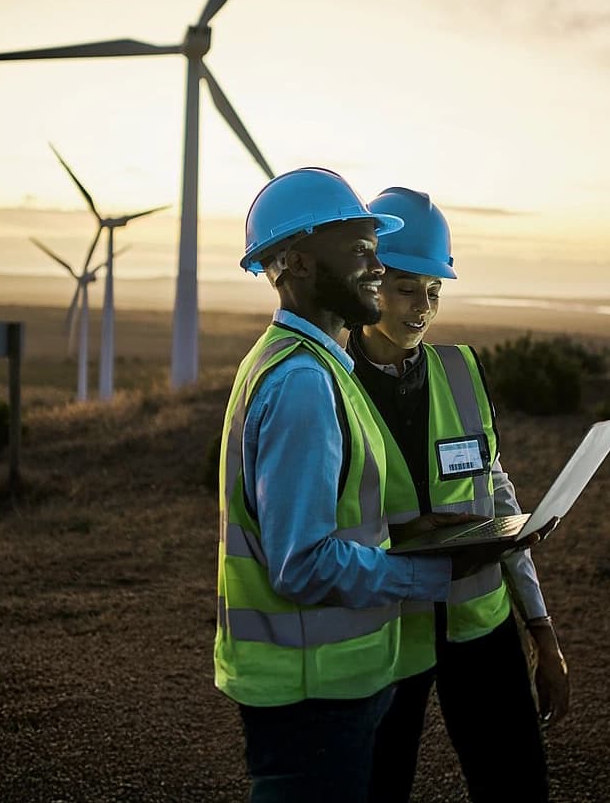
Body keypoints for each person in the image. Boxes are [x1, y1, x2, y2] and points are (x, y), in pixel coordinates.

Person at [215, 168, 536, 803]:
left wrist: (415, 533)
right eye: (362, 251)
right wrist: (429, 574)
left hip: (332, 678)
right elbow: (301, 563)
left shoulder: (304, 367)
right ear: (299, 263)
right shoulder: (305, 382)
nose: (374, 267)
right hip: (314, 686)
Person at [355, 187, 568, 803]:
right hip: (388, 634)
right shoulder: (328, 384)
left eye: (434, 291)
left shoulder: (462, 370)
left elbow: (497, 498)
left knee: (517, 789)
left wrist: (542, 629)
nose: (422, 308)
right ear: (369, 282)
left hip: (480, 626)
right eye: (405, 288)